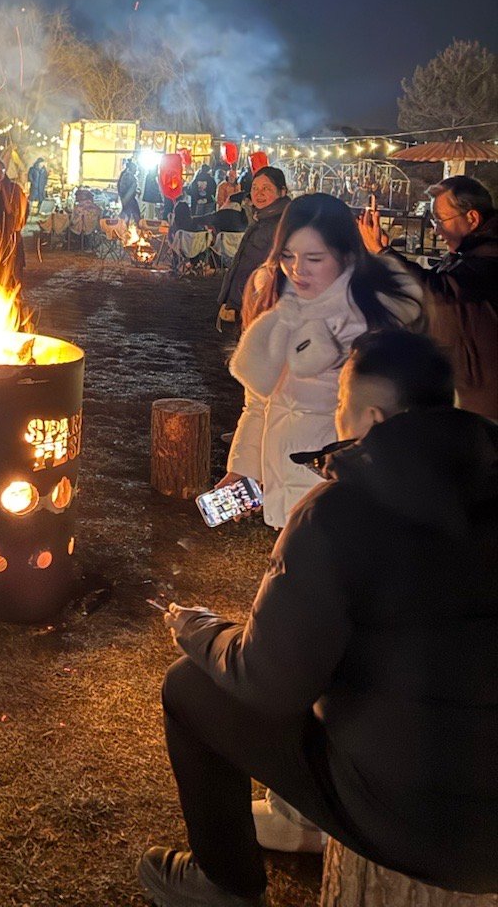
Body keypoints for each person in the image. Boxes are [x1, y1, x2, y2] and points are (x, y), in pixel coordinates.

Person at [142, 329, 498, 906]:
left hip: (415, 823)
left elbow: (267, 681)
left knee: (190, 688)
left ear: (373, 417)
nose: (336, 415)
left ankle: (225, 884)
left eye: (341, 402)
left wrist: (198, 629)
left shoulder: (337, 512)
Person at [223, 193, 422, 529]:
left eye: (314, 258)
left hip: (344, 495)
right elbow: (258, 403)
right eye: (287, 255)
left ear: (346, 255)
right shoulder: (275, 304)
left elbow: (392, 425)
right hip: (283, 486)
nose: (297, 270)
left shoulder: (375, 321)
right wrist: (242, 468)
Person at [360, 175, 498, 419]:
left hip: (483, 406)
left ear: (472, 218)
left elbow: (437, 291)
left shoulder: (490, 256)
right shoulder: (462, 255)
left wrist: (383, 253)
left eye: (440, 219)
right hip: (460, 395)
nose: (436, 229)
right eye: (433, 220)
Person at [215, 166, 289, 335]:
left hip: (260, 312)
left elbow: (261, 272)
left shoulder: (281, 226)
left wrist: (236, 303)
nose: (258, 193)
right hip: (247, 308)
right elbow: (243, 264)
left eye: (266, 188)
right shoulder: (261, 220)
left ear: (282, 191)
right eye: (255, 188)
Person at [0, 158, 28, 278]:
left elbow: (22, 208)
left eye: (0, 171)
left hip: (10, 233)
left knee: (13, 265)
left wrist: (17, 224)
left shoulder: (14, 189)